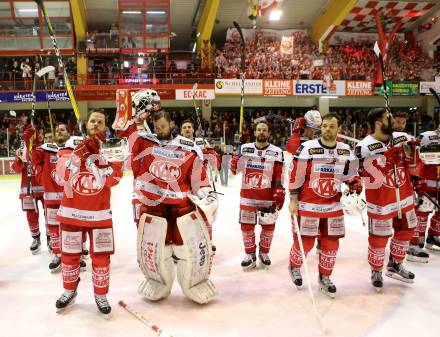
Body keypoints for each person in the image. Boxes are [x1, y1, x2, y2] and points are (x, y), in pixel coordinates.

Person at [114, 89, 218, 304]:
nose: (158, 130)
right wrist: (138, 112)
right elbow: (122, 129)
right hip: (153, 207)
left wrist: (207, 193)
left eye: (161, 126)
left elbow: (198, 177)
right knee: (155, 250)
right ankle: (158, 281)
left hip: (181, 207)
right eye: (154, 126)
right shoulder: (143, 142)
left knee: (187, 248)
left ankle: (195, 283)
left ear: (171, 125)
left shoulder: (188, 148)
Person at [54, 110, 123, 316]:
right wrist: (77, 155)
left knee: (101, 257)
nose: (95, 124)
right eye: (93, 121)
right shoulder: (71, 145)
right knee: (69, 255)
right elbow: (60, 176)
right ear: (86, 123)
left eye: (100, 122)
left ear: (105, 126)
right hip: (71, 213)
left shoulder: (113, 148)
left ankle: (100, 294)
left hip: (99, 215)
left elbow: (115, 179)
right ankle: (69, 290)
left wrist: (97, 160)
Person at [288, 113, 360, 298]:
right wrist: (293, 199)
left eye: (332, 126)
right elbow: (296, 175)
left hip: (333, 207)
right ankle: (295, 266)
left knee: (331, 244)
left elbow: (349, 173)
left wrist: (354, 183)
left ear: (339, 129)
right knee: (306, 242)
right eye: (325, 126)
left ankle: (325, 277)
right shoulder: (307, 148)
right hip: (308, 205)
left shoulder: (345, 150)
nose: (327, 129)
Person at [355, 108, 417, 291]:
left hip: (404, 195)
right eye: (387, 118)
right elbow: (363, 175)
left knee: (407, 230)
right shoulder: (364, 146)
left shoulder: (401, 137)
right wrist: (385, 159)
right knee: (379, 238)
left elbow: (412, 161)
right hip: (381, 201)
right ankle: (376, 270)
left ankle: (396, 263)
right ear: (378, 123)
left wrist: (412, 152)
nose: (392, 120)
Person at [230, 120, 285, 270]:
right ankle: (249, 254)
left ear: (269, 133)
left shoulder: (277, 152)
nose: (261, 132)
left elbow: (279, 173)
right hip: (248, 196)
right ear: (254, 132)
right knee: (246, 227)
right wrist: (234, 161)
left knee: (268, 228)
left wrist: (279, 189)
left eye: (264, 130)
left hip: (267, 197)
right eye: (259, 130)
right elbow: (235, 171)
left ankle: (264, 252)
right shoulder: (245, 148)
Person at [32, 124, 70, 272]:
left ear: (69, 132)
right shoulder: (47, 150)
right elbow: (35, 157)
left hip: (70, 199)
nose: (59, 132)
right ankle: (57, 254)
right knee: (53, 229)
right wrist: (33, 141)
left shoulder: (73, 147)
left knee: (72, 228)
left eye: (63, 129)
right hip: (52, 199)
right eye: (57, 130)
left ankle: (75, 256)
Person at [11, 125, 45, 253]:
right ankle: (35, 238)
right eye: (28, 134)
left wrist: (31, 149)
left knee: (49, 214)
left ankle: (51, 238)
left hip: (43, 186)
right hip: (27, 188)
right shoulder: (20, 150)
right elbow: (16, 168)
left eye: (32, 134)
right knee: (31, 215)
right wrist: (20, 156)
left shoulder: (42, 149)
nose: (31, 136)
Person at [408, 129, 440, 259]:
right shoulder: (425, 139)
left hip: (438, 186)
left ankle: (433, 235)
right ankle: (417, 240)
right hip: (426, 186)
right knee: (422, 212)